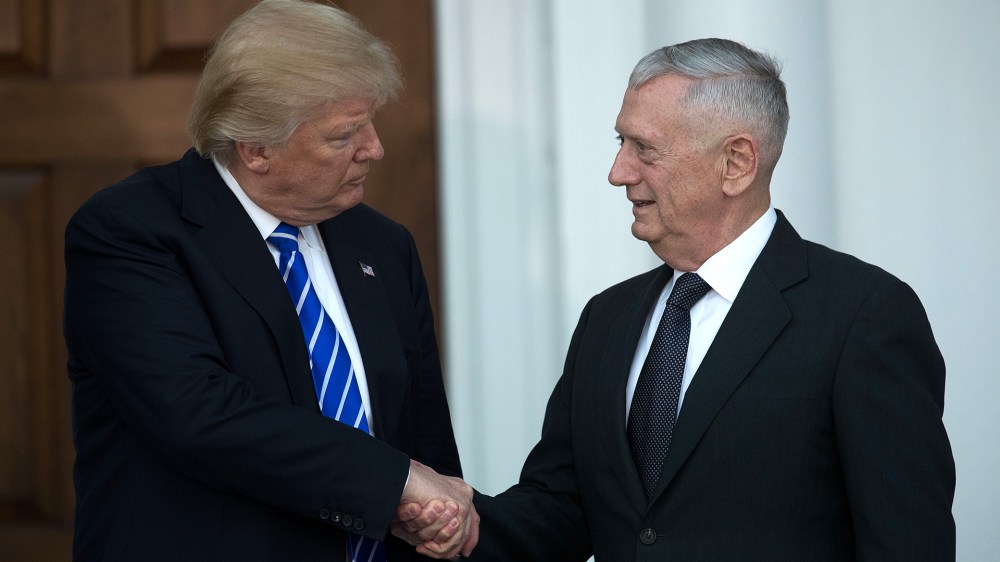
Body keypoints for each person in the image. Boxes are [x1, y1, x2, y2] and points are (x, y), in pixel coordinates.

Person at [396, 38, 955, 560]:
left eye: (645, 149)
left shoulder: (863, 314)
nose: (618, 172)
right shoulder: (608, 318)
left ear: (735, 163)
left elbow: (905, 542)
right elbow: (563, 507)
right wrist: (464, 524)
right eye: (622, 142)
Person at [63, 1, 477, 560]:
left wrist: (443, 519)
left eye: (370, 124)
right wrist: (395, 481)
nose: (374, 148)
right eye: (344, 135)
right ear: (256, 148)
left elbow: (422, 431)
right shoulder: (131, 232)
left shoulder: (381, 244)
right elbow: (199, 414)